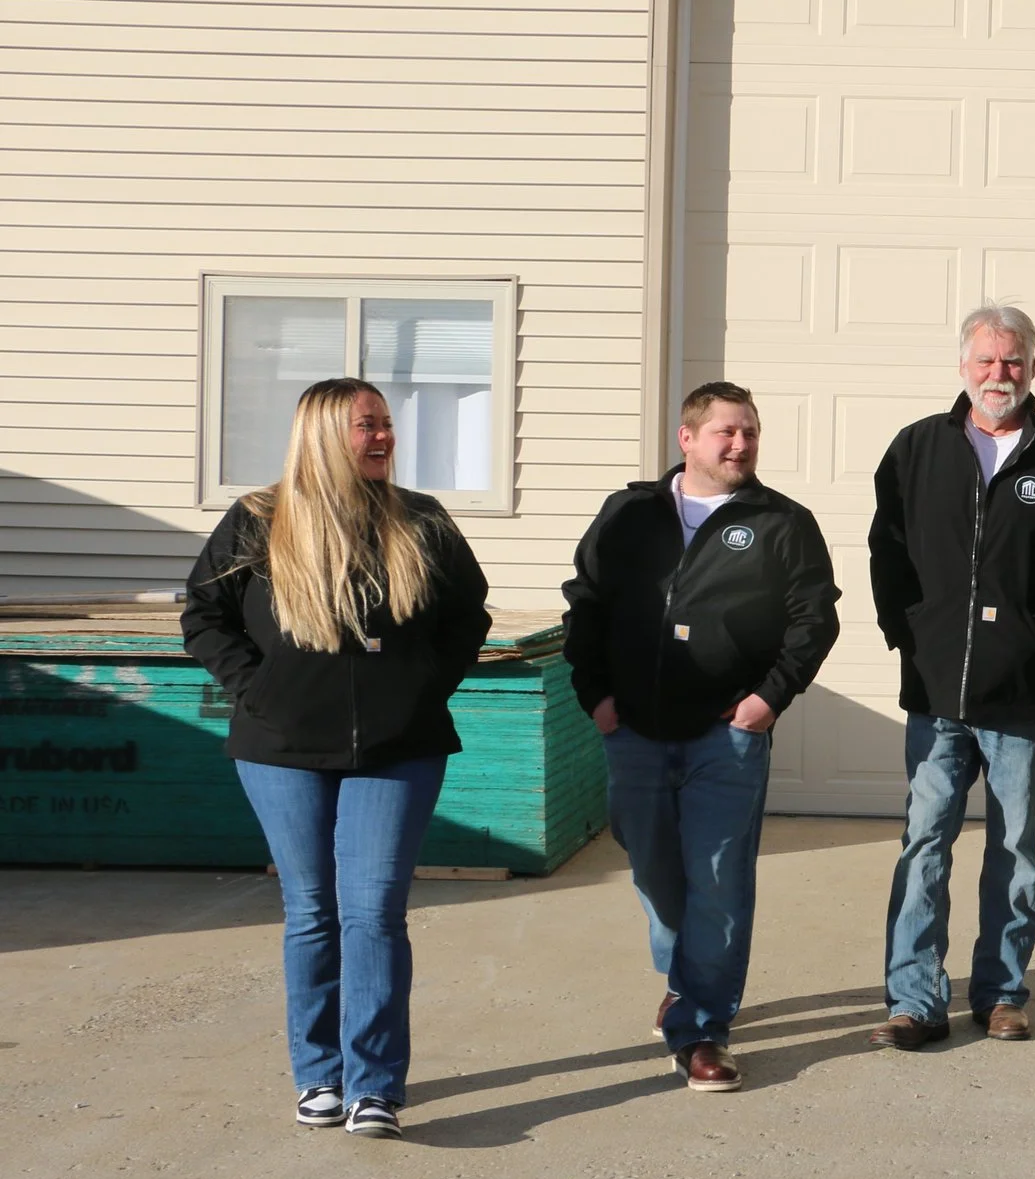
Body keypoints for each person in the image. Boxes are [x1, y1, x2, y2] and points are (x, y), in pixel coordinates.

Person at [182, 378, 492, 1140]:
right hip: (281, 748)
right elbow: (204, 615)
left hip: (399, 747)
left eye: (386, 422)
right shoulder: (259, 520)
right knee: (312, 910)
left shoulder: (421, 520)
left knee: (374, 910)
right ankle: (318, 1075)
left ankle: (374, 1084)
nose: (384, 435)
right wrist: (258, 690)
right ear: (324, 435)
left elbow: (468, 614)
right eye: (366, 425)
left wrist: (422, 687)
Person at [562, 381, 839, 1093]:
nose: (741, 444)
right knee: (655, 871)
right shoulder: (628, 513)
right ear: (687, 438)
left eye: (750, 432)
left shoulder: (781, 521)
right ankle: (684, 977)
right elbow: (586, 602)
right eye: (726, 432)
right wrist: (594, 694)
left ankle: (701, 1027)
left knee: (717, 880)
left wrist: (767, 699)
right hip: (634, 731)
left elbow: (815, 619)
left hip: (727, 737)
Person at [864, 306, 1035, 1048]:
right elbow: (885, 552)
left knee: (1014, 850)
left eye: (1013, 360)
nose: (1000, 374)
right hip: (936, 692)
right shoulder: (917, 447)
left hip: (1022, 693)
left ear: (1032, 366)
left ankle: (1000, 994)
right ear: (963, 365)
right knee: (924, 844)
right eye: (987, 360)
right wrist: (910, 635)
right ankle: (914, 998)